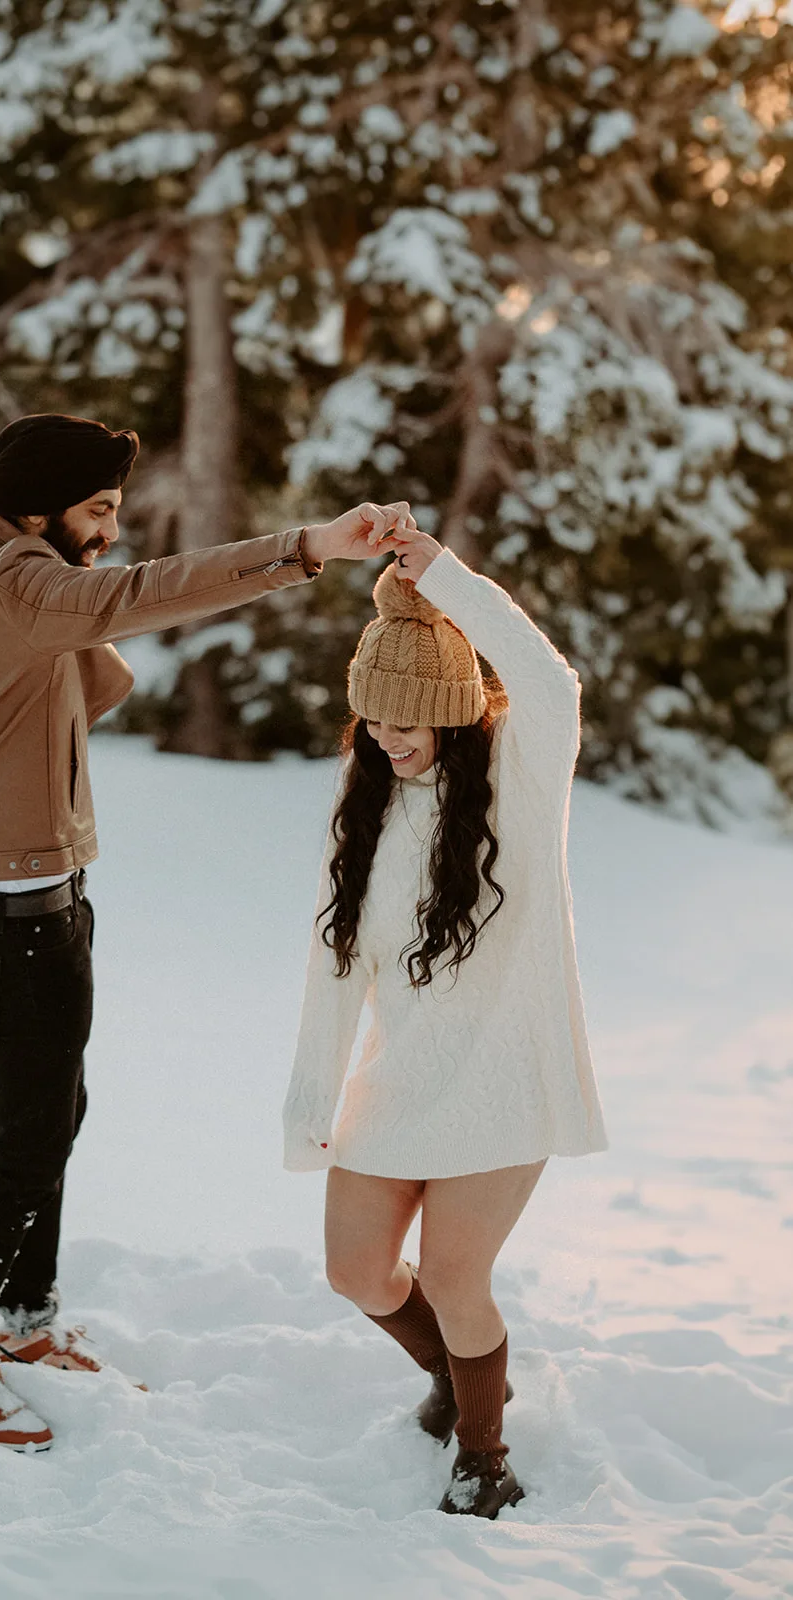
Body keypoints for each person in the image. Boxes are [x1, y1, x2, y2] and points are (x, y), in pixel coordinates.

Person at [0, 410, 416, 1452]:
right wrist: (306, 546)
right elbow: (128, 602)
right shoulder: (5, 583)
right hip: (6, 916)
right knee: (27, 1136)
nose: (110, 533)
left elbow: (92, 665)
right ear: (38, 509)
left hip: (39, 897)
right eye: (97, 512)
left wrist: (68, 628)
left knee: (56, 1112)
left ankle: (29, 1316)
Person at [281, 529, 607, 1517]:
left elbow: (549, 685)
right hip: (398, 1083)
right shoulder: (372, 808)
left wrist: (443, 575)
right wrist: (311, 1099)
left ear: (453, 711)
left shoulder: (520, 774)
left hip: (502, 1084)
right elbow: (334, 967)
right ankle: (458, 1376)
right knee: (356, 1270)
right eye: (371, 717)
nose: (386, 736)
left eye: (407, 719)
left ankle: (482, 1449)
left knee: (459, 1280)